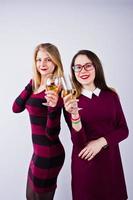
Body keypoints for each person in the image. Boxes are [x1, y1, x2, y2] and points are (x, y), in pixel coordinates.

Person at [63, 50, 129, 200]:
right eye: (77, 67)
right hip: (86, 168)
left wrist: (101, 142)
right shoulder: (70, 100)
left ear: (96, 67)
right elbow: (79, 142)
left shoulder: (111, 95)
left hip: (111, 165)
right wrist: (74, 114)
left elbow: (123, 130)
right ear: (73, 71)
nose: (83, 71)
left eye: (88, 66)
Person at [12, 43, 65, 200]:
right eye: (39, 59)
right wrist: (32, 83)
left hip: (49, 153)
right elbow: (16, 107)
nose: (42, 64)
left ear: (55, 62)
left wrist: (54, 107)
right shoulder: (35, 85)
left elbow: (51, 134)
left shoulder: (56, 89)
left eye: (48, 59)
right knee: (30, 197)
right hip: (37, 153)